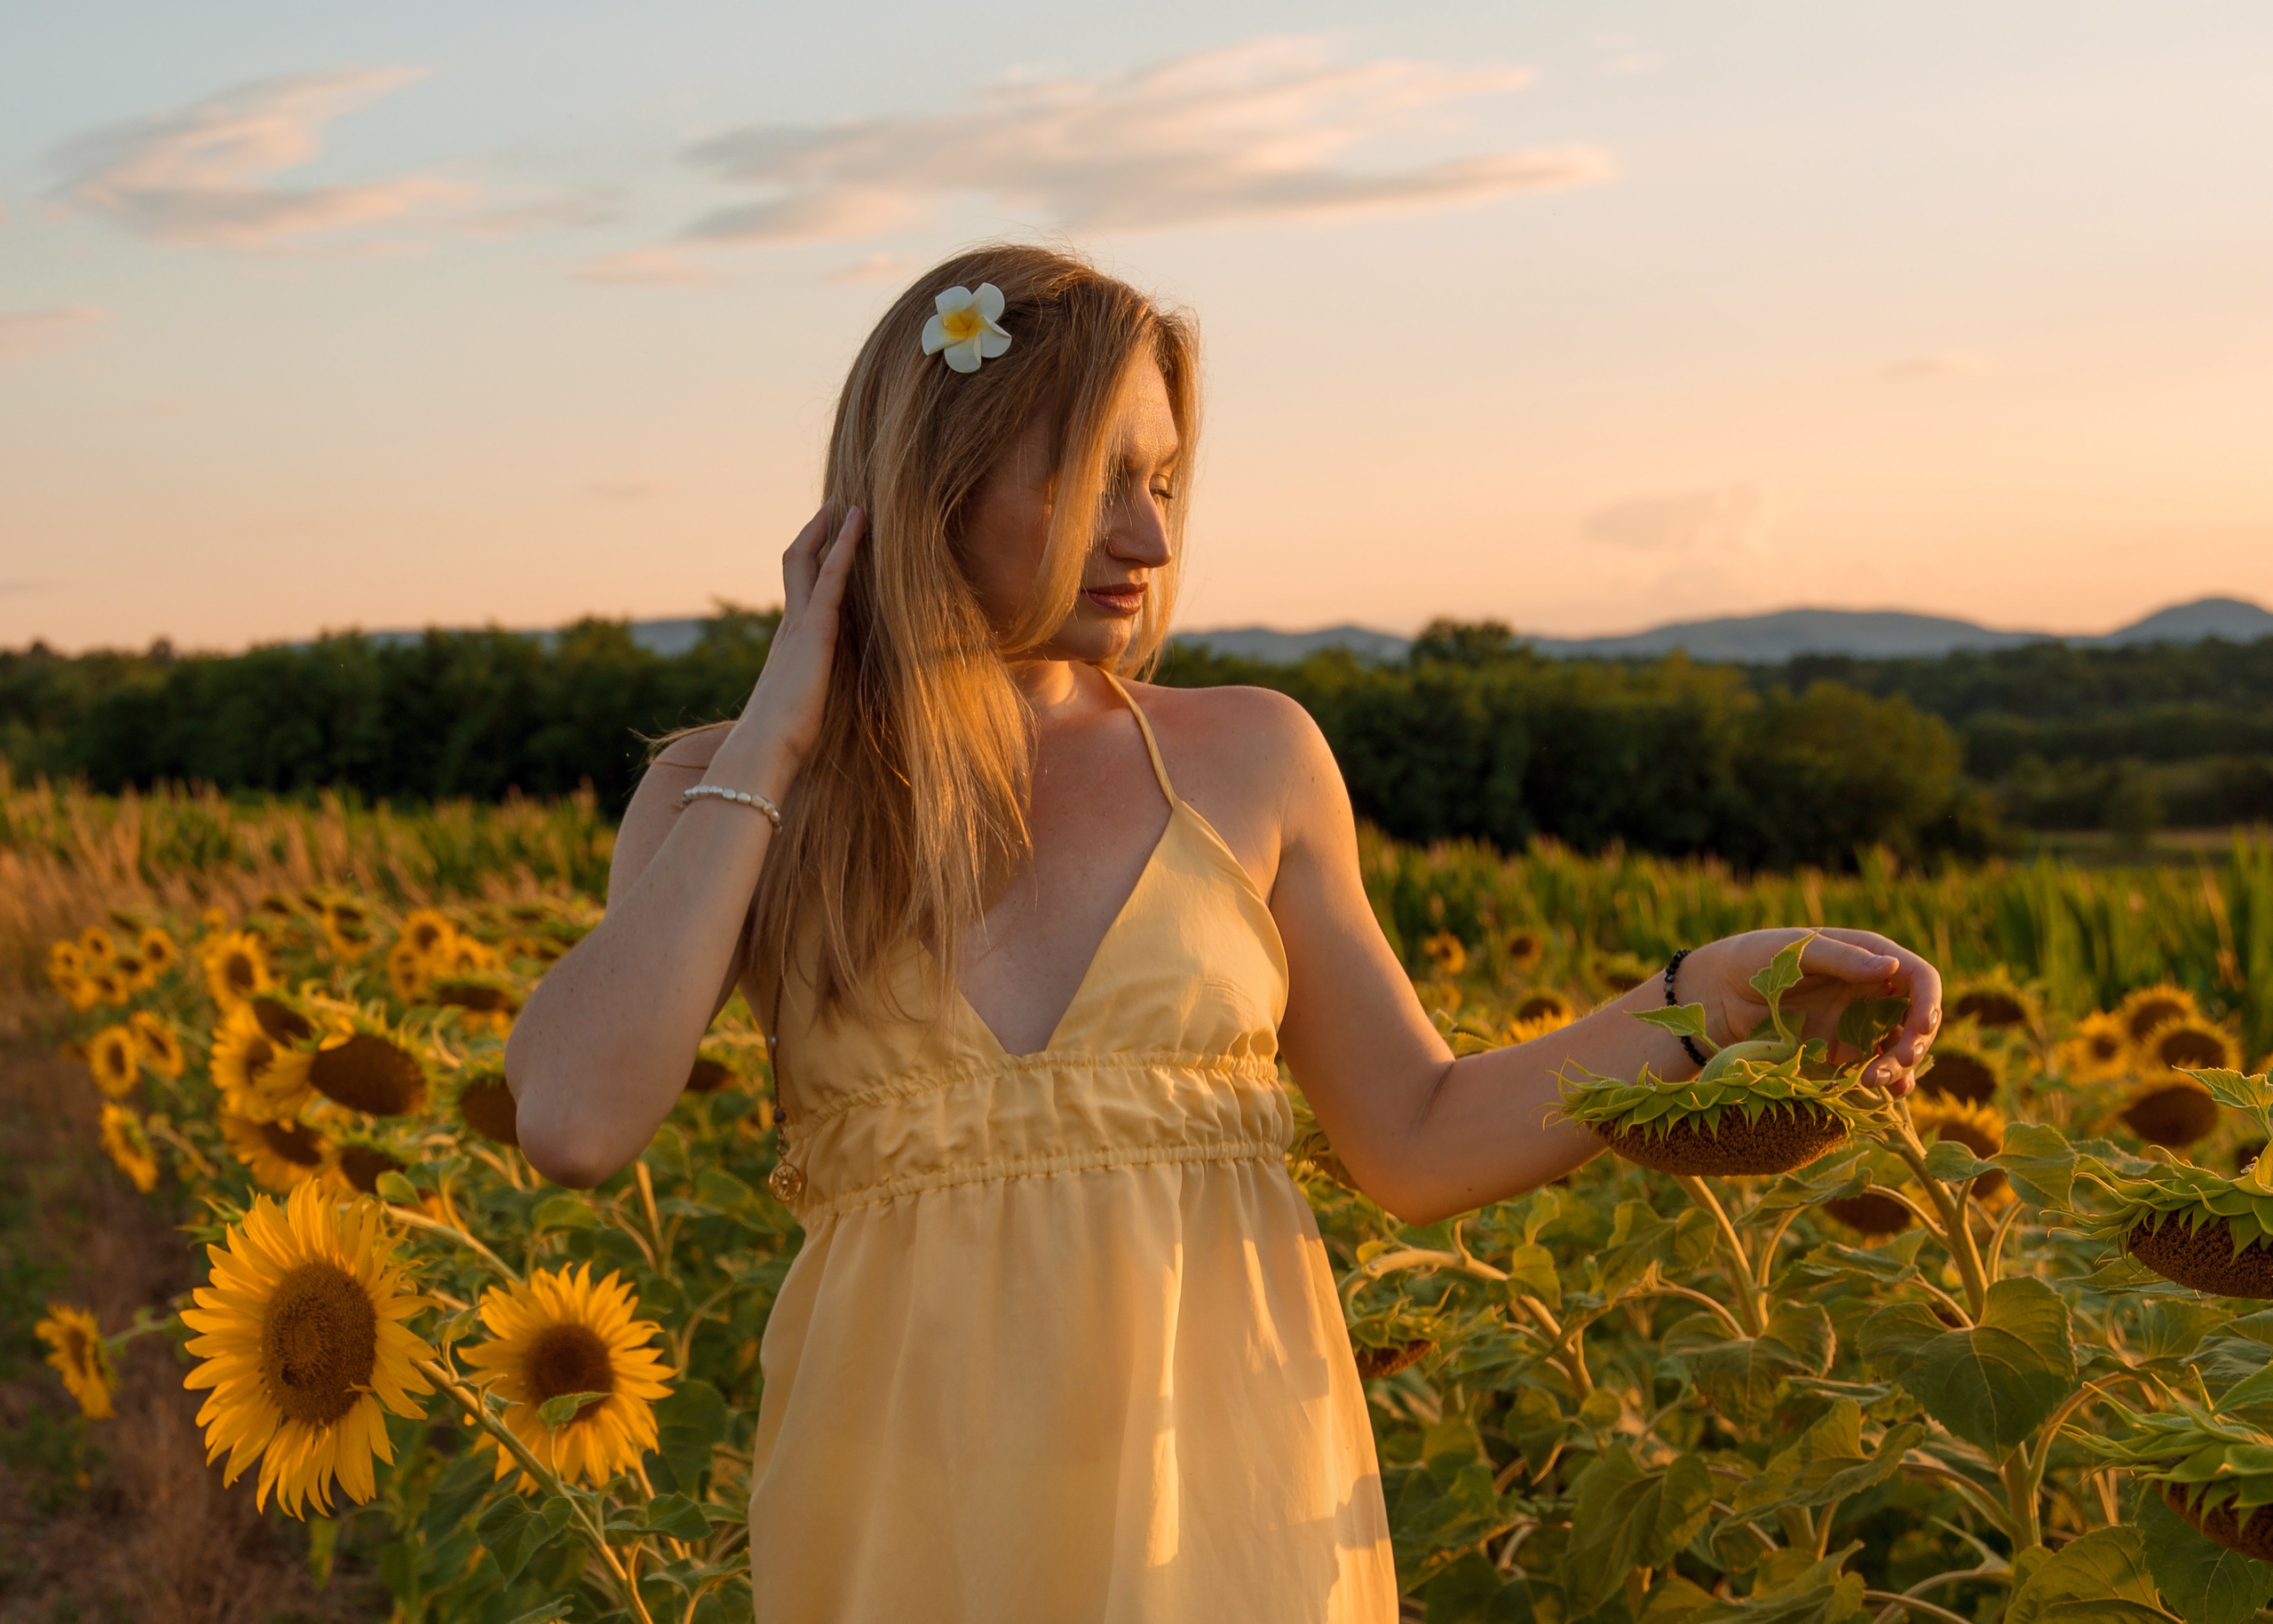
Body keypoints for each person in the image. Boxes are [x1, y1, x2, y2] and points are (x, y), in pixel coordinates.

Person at [504, 244, 1944, 1622]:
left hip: (1226, 1504)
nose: (1151, 536)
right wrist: (782, 725)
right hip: (902, 1515)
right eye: (1092, 481)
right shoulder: (729, 792)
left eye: (1169, 480)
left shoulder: (1250, 759)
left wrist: (1714, 996)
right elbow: (573, 1117)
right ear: (932, 481)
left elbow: (1422, 1133)